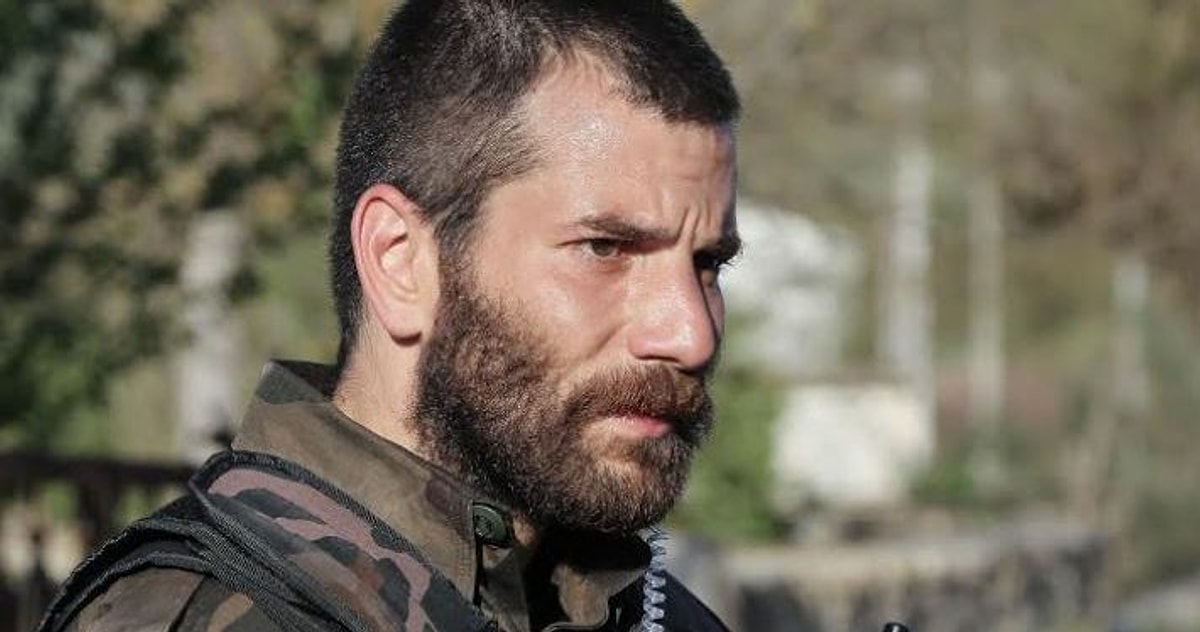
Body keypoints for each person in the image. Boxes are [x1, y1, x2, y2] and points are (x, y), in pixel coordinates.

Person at [41, 0, 741, 630]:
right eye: (604, 248)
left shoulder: (653, 613)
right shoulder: (199, 614)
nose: (690, 333)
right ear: (400, 261)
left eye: (708, 262)